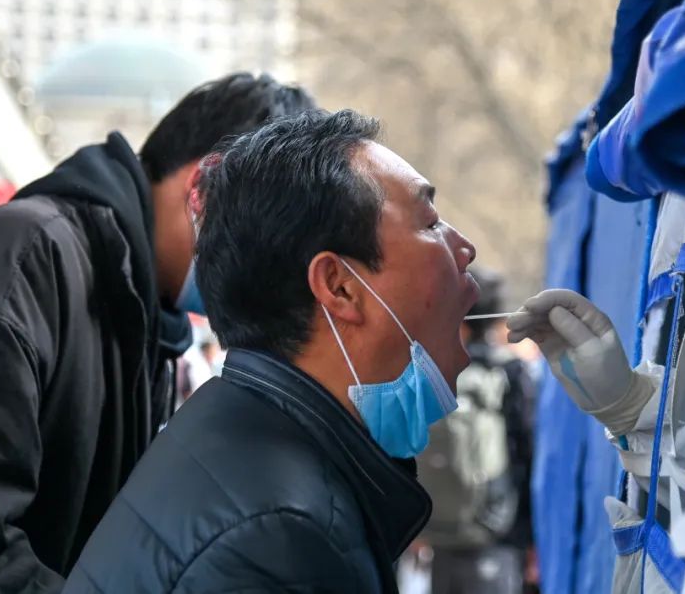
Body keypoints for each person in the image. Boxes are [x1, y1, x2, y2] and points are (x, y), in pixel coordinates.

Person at [0, 73, 315, 592]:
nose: (273, 275)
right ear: (204, 188)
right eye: (271, 241)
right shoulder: (23, 265)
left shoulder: (145, 319)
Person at [64, 109, 479, 593]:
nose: (465, 249)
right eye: (430, 223)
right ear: (339, 286)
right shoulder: (284, 538)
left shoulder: (236, 426)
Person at [415, 267, 536, 594]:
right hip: (496, 533)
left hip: (442, 533)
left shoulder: (436, 371)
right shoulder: (508, 371)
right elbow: (527, 453)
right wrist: (530, 539)